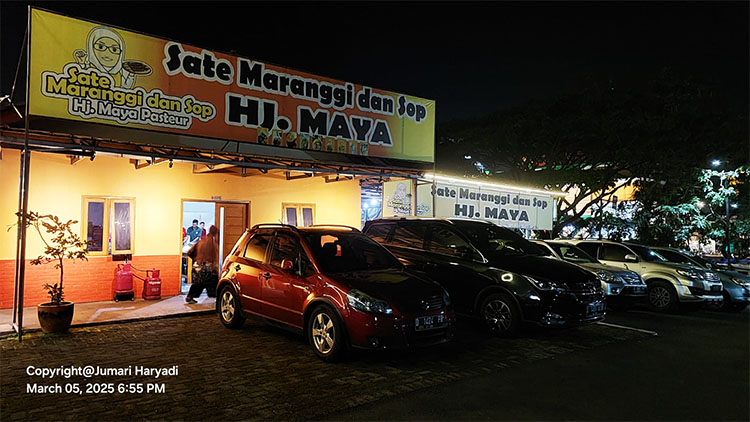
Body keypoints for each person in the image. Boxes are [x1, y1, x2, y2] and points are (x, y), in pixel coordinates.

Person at [186, 225, 219, 304]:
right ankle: (217, 297)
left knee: (198, 283)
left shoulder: (201, 241)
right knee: (210, 282)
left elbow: (189, 252)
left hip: (198, 266)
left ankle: (190, 296)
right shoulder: (213, 244)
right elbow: (214, 258)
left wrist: (196, 259)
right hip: (207, 267)